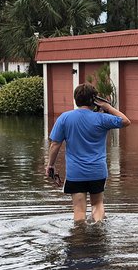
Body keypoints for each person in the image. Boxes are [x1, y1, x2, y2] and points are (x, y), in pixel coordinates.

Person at [46, 83, 131, 222]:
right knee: (98, 204)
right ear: (94, 100)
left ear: (76, 99)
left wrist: (51, 165)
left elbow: (55, 144)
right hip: (97, 171)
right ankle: (99, 231)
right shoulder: (102, 118)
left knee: (79, 210)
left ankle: (79, 238)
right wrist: (108, 107)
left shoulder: (64, 118)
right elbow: (126, 121)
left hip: (76, 173)